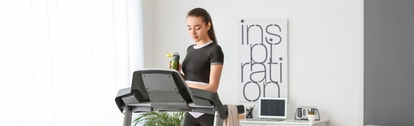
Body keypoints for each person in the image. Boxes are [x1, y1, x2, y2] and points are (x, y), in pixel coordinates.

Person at [169, 7, 224, 126]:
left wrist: (190, 94)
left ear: (208, 26)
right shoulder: (190, 49)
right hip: (191, 109)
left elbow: (213, 87)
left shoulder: (214, 50)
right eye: (189, 28)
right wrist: (178, 73)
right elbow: (188, 81)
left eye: (197, 28)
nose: (192, 32)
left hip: (207, 109)